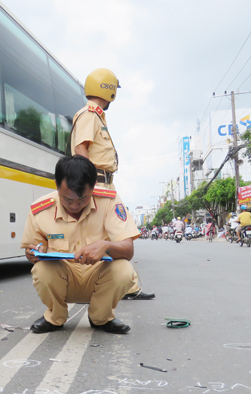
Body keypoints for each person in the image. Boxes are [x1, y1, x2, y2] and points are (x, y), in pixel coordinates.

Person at [21, 155, 139, 334]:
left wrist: (105, 246)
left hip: (99, 278)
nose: (74, 206)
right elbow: (32, 249)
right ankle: (55, 317)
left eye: (82, 199)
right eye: (67, 199)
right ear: (56, 185)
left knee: (124, 269)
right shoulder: (40, 210)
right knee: (41, 269)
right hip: (63, 279)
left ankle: (101, 318)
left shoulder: (109, 201)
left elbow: (128, 249)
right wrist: (33, 253)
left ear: (93, 187)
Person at [70, 68, 154, 301]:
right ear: (109, 90)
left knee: (116, 236)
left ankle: (130, 287)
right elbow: (80, 150)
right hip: (97, 186)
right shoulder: (88, 115)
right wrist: (87, 186)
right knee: (119, 234)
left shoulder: (96, 116)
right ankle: (120, 287)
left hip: (104, 185)